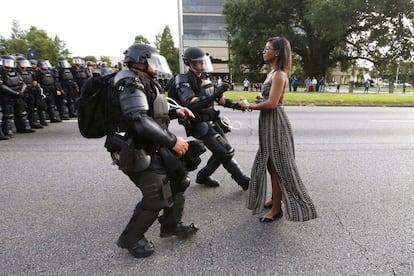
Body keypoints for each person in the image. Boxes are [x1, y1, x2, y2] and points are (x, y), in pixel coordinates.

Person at [105, 43, 200, 258]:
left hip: (150, 144)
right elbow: (138, 120)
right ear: (140, 62)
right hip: (133, 148)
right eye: (153, 62)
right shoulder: (128, 82)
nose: (157, 66)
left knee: (179, 180)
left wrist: (177, 112)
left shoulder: (143, 80)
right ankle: (131, 238)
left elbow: (152, 112)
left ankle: (170, 225)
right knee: (156, 195)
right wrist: (173, 141)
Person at [238, 36, 317, 222]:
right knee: (269, 163)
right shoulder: (272, 73)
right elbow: (273, 100)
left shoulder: (280, 74)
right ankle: (275, 199)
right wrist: (260, 100)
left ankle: (276, 209)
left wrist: (248, 105)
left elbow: (273, 104)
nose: (264, 51)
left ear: (277, 52)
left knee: (277, 167)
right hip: (268, 123)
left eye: (268, 48)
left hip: (275, 123)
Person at [174, 47, 250, 190]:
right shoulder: (183, 79)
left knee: (221, 152)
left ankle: (203, 176)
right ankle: (244, 181)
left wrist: (238, 106)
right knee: (225, 152)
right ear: (189, 63)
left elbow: (221, 99)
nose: (202, 65)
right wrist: (214, 95)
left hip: (212, 121)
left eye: (203, 62)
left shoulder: (205, 78)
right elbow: (191, 105)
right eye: (198, 62)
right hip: (199, 124)